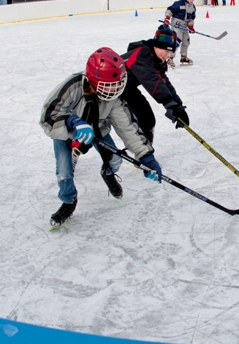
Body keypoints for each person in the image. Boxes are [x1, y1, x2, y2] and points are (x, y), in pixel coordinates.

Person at [39, 47, 163, 227]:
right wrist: (72, 121)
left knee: (114, 159)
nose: (115, 89)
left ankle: (108, 173)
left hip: (98, 129)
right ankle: (68, 201)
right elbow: (48, 117)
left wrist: (146, 157)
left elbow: (127, 127)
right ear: (95, 80)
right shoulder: (73, 86)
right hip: (65, 132)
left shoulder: (114, 97)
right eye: (110, 85)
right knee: (64, 171)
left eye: (118, 84)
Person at [120, 25, 188, 143]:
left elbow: (163, 81)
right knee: (100, 126)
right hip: (106, 88)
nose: (168, 56)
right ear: (156, 46)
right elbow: (152, 81)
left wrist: (178, 106)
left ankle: (146, 153)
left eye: (171, 52)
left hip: (127, 89)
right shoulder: (141, 55)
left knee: (147, 119)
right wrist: (169, 103)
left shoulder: (155, 58)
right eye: (166, 51)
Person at [164, 0, 197, 65]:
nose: (191, 0)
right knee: (176, 42)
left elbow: (191, 18)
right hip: (177, 26)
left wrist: (191, 27)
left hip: (184, 27)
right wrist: (167, 18)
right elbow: (170, 10)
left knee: (186, 41)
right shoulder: (179, 4)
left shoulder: (193, 7)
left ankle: (183, 57)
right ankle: (170, 58)